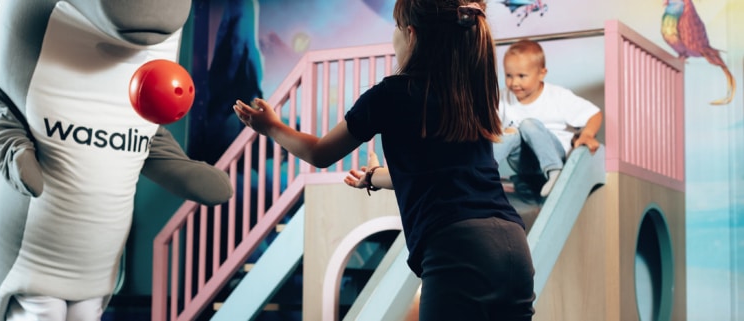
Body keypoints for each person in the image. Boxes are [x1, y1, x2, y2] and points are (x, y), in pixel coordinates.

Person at [234, 0, 535, 319]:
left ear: (411, 35)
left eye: (394, 28)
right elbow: (432, 175)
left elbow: (319, 153)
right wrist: (373, 176)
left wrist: (272, 127)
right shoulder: (470, 95)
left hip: (458, 247)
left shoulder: (390, 95)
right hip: (513, 244)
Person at [494, 39, 602, 197]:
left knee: (528, 125)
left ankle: (554, 173)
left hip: (553, 155)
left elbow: (594, 113)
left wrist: (587, 135)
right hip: (525, 164)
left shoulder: (557, 96)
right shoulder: (503, 97)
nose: (514, 82)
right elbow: (492, 123)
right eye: (509, 75)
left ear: (541, 74)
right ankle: (481, 172)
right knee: (508, 134)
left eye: (522, 76)